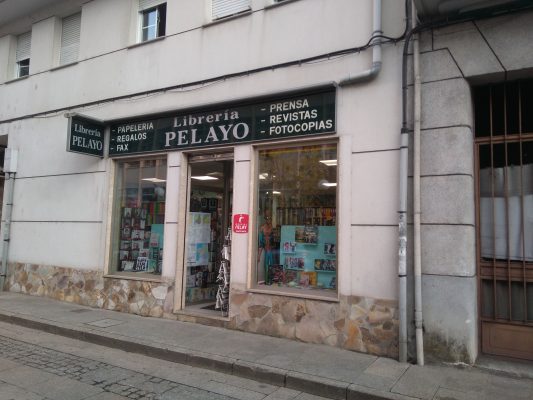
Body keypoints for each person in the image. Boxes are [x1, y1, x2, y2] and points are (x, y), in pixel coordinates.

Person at [257, 210, 274, 284]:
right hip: (266, 250)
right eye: (267, 217)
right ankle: (267, 280)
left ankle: (270, 280)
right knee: (266, 265)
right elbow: (261, 244)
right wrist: (259, 256)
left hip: (271, 250)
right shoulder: (262, 228)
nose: (268, 219)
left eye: (270, 218)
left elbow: (273, 240)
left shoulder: (272, 227)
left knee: (271, 265)